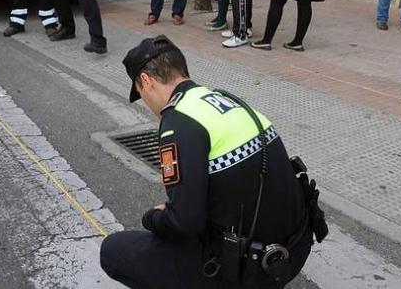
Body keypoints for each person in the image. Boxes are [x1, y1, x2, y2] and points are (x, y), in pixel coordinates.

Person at [101, 35, 325, 288]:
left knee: (113, 250)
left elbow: (184, 224)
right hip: (292, 250)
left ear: (145, 81)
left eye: (140, 93)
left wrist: (152, 217)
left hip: (248, 271)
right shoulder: (225, 99)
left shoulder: (178, 121)